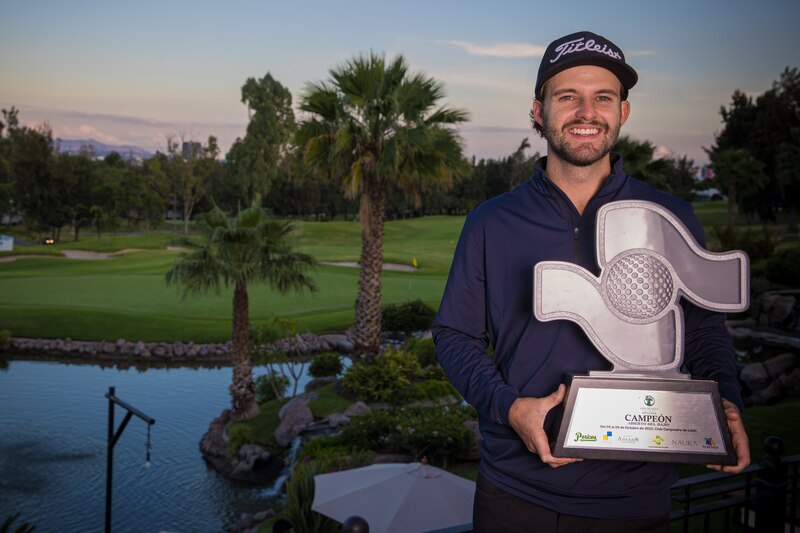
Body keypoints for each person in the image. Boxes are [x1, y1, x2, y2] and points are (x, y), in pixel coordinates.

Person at [431, 30, 750, 533]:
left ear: (623, 112)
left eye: (603, 97)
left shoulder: (671, 214)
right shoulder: (491, 221)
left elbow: (706, 329)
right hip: (517, 492)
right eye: (567, 97)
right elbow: (454, 334)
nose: (586, 112)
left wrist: (725, 404)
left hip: (636, 496)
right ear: (539, 111)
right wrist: (509, 407)